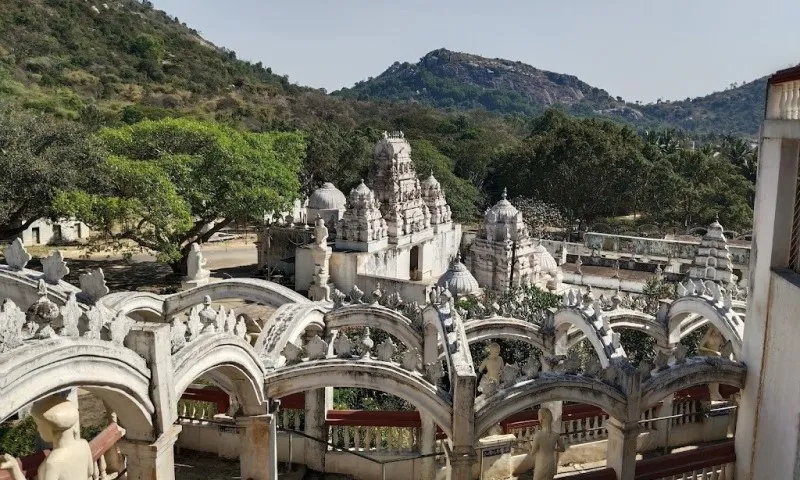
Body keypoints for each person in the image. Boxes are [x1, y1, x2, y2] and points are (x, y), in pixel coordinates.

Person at [1, 395, 94, 480]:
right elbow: (90, 472)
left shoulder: (53, 463)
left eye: (38, 425)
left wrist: (14, 468)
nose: (37, 429)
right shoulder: (84, 444)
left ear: (49, 428)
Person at [529, 408, 566, 480]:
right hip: (551, 464)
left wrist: (528, 445)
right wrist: (553, 448)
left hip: (541, 464)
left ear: (541, 419)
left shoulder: (538, 435)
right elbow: (562, 449)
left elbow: (532, 452)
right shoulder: (556, 435)